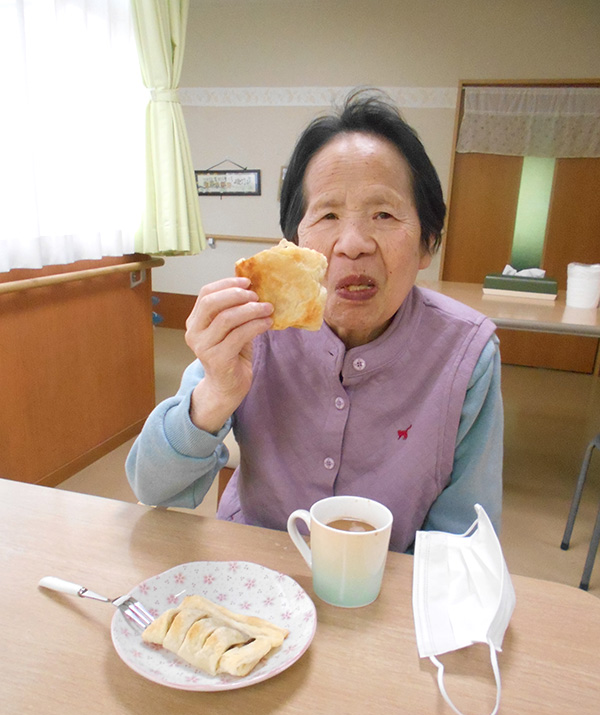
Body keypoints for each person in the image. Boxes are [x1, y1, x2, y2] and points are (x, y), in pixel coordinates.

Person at [126, 89, 503, 553]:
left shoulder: (466, 355)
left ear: (427, 243)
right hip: (257, 573)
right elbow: (151, 487)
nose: (353, 244)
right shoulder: (253, 328)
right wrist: (218, 392)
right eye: (327, 214)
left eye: (383, 214)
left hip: (384, 588)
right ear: (294, 243)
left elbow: (465, 539)